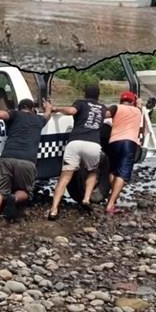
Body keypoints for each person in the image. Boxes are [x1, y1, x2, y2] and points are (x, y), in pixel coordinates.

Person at [0, 99, 53, 229]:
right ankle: (14, 198)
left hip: (8, 157)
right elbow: (47, 115)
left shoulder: (15, 114)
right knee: (25, 191)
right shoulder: (39, 120)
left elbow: (0, 115)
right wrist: (48, 107)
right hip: (27, 161)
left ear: (19, 107)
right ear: (32, 109)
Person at [47, 84, 107, 219]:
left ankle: (54, 209)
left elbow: (71, 111)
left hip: (75, 143)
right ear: (98, 96)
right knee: (92, 172)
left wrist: (55, 109)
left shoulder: (81, 103)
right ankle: (86, 199)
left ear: (85, 94)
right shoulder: (103, 108)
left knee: (64, 177)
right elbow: (111, 114)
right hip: (93, 145)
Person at [105, 91, 143, 215]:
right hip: (129, 142)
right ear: (132, 101)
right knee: (122, 174)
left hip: (114, 141)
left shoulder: (116, 107)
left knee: (113, 170)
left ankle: (113, 198)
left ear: (121, 100)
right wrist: (139, 104)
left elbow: (104, 115)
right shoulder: (138, 111)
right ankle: (111, 204)